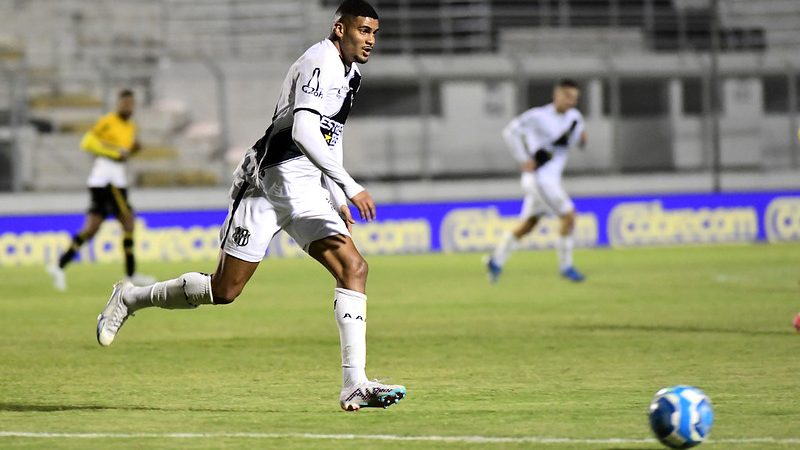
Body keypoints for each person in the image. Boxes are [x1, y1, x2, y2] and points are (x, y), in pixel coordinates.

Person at [95, 0, 406, 412]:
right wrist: (349, 186)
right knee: (225, 290)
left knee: (354, 268)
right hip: (269, 180)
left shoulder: (351, 74)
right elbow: (303, 130)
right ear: (339, 28)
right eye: (363, 31)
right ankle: (131, 298)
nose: (370, 40)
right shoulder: (320, 61)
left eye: (374, 33)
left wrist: (332, 190)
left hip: (304, 186)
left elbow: (331, 134)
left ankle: (354, 384)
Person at [47, 89, 154, 291]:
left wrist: (131, 150)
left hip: (113, 180)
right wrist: (113, 152)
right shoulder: (108, 121)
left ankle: (59, 265)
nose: (128, 107)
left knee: (91, 228)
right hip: (107, 180)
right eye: (125, 103)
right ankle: (131, 274)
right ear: (118, 104)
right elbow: (87, 142)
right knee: (128, 221)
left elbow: (123, 154)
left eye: (131, 104)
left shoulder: (131, 127)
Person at [485, 79, 587, 283]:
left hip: (551, 180)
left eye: (575, 98)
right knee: (569, 216)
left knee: (528, 225)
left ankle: (495, 260)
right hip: (539, 179)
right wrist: (524, 159)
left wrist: (583, 139)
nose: (571, 101)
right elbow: (510, 132)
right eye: (567, 96)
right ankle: (566, 267)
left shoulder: (575, 117)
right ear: (556, 95)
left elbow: (578, 139)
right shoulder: (538, 116)